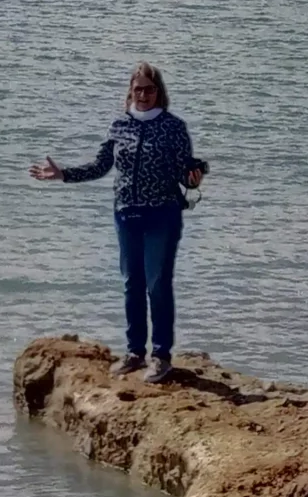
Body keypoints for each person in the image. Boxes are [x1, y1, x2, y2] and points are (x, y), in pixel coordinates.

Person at [29, 62, 205, 384]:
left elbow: (185, 172)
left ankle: (161, 356)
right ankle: (135, 353)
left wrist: (193, 178)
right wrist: (63, 174)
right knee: (132, 284)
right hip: (126, 213)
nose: (143, 95)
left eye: (149, 89)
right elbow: (100, 166)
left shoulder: (173, 127)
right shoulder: (118, 126)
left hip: (162, 214)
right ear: (130, 92)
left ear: (158, 92)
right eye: (138, 89)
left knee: (157, 284)